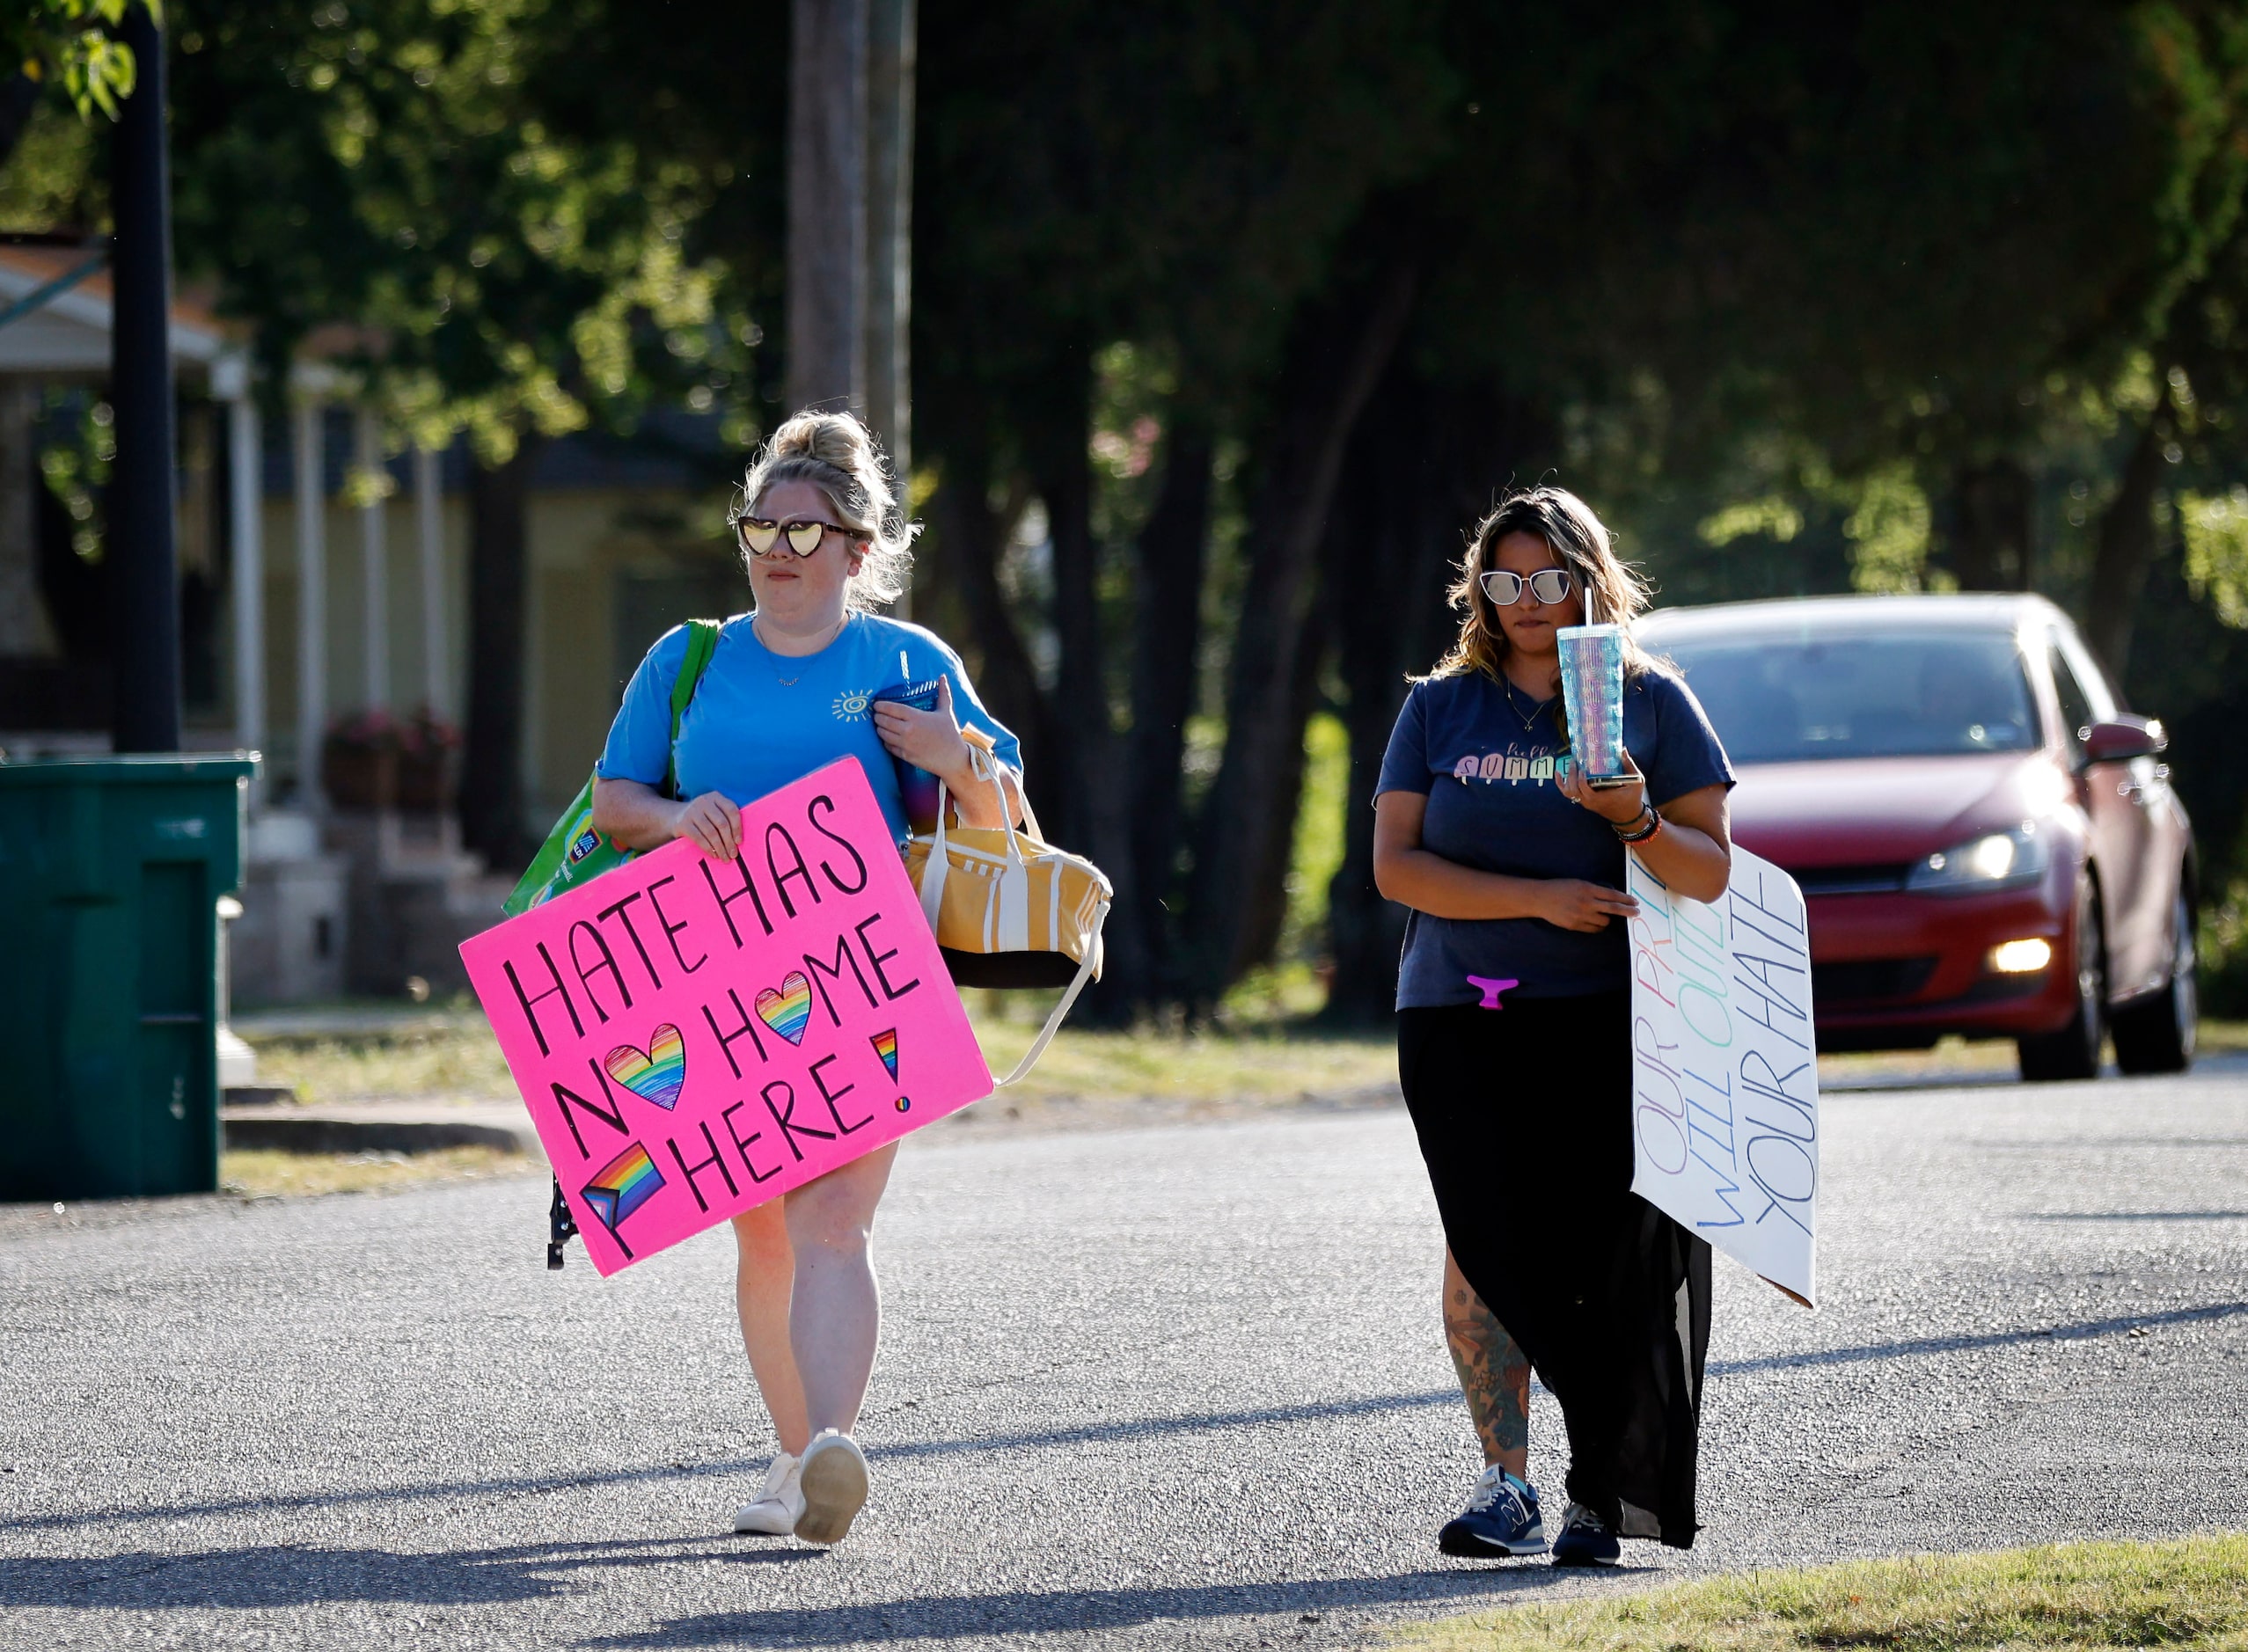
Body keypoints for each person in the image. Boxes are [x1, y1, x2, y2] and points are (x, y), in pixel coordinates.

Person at [590, 410, 1023, 1546]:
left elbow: (1008, 816)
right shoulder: (688, 658)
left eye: (806, 529)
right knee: (763, 1232)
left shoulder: (907, 662)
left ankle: (830, 1442)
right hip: (710, 981)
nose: (779, 549)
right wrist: (681, 814)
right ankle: (794, 1457)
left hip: (867, 980)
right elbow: (613, 801)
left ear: (857, 549)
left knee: (835, 1216)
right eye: (763, 526)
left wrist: (955, 758)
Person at [1371, 485, 1735, 1566]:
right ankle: (1504, 1484)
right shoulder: (1438, 708)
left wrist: (1631, 817)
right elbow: (1397, 868)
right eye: (1503, 579)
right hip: (1456, 1017)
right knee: (1484, 1245)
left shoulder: (1647, 699)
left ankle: (1592, 1493)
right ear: (1478, 589)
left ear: (1587, 577)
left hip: (1610, 1020)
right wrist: (1537, 898)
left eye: (1547, 578)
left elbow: (1710, 870)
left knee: (1602, 1256)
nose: (1525, 600)